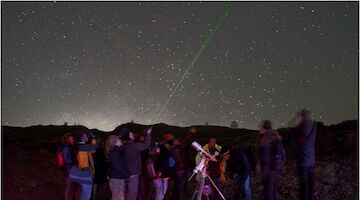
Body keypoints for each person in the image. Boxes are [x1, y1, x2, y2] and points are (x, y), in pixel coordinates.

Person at [289, 109, 317, 200]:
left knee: (304, 185)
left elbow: (289, 127)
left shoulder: (300, 128)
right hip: (311, 160)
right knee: (311, 184)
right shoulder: (313, 125)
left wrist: (296, 116)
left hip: (303, 161)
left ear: (302, 116)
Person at [121, 127, 152, 200]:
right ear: (128, 136)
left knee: (126, 193)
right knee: (132, 194)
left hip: (125, 173)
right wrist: (148, 134)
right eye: (131, 134)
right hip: (133, 173)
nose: (133, 135)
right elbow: (146, 144)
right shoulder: (133, 145)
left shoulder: (123, 146)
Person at [258, 120, 286, 200]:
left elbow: (265, 158)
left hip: (269, 169)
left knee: (268, 192)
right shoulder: (276, 136)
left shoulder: (266, 138)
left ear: (264, 127)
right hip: (276, 168)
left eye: (260, 127)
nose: (259, 128)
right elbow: (283, 153)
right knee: (273, 190)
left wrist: (263, 169)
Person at [70, 131, 99, 200]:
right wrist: (92, 137)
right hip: (84, 175)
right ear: (82, 138)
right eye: (85, 135)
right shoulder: (82, 147)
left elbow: (93, 150)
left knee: (82, 194)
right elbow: (96, 146)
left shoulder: (80, 146)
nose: (87, 136)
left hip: (79, 174)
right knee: (86, 197)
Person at [107, 135, 130, 200]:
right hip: (117, 178)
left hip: (118, 178)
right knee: (117, 197)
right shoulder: (115, 153)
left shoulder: (116, 151)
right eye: (119, 139)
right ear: (115, 141)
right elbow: (118, 167)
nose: (121, 140)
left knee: (119, 197)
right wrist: (126, 174)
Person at [88, 134, 108, 200]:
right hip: (96, 172)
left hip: (98, 172)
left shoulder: (98, 148)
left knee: (96, 189)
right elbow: (96, 161)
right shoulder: (94, 149)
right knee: (94, 189)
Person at [61, 132, 80, 200]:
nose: (73, 139)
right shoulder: (66, 148)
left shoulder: (71, 148)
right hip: (69, 171)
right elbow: (66, 160)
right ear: (67, 139)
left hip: (73, 170)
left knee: (74, 186)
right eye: (71, 138)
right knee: (70, 187)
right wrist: (76, 162)